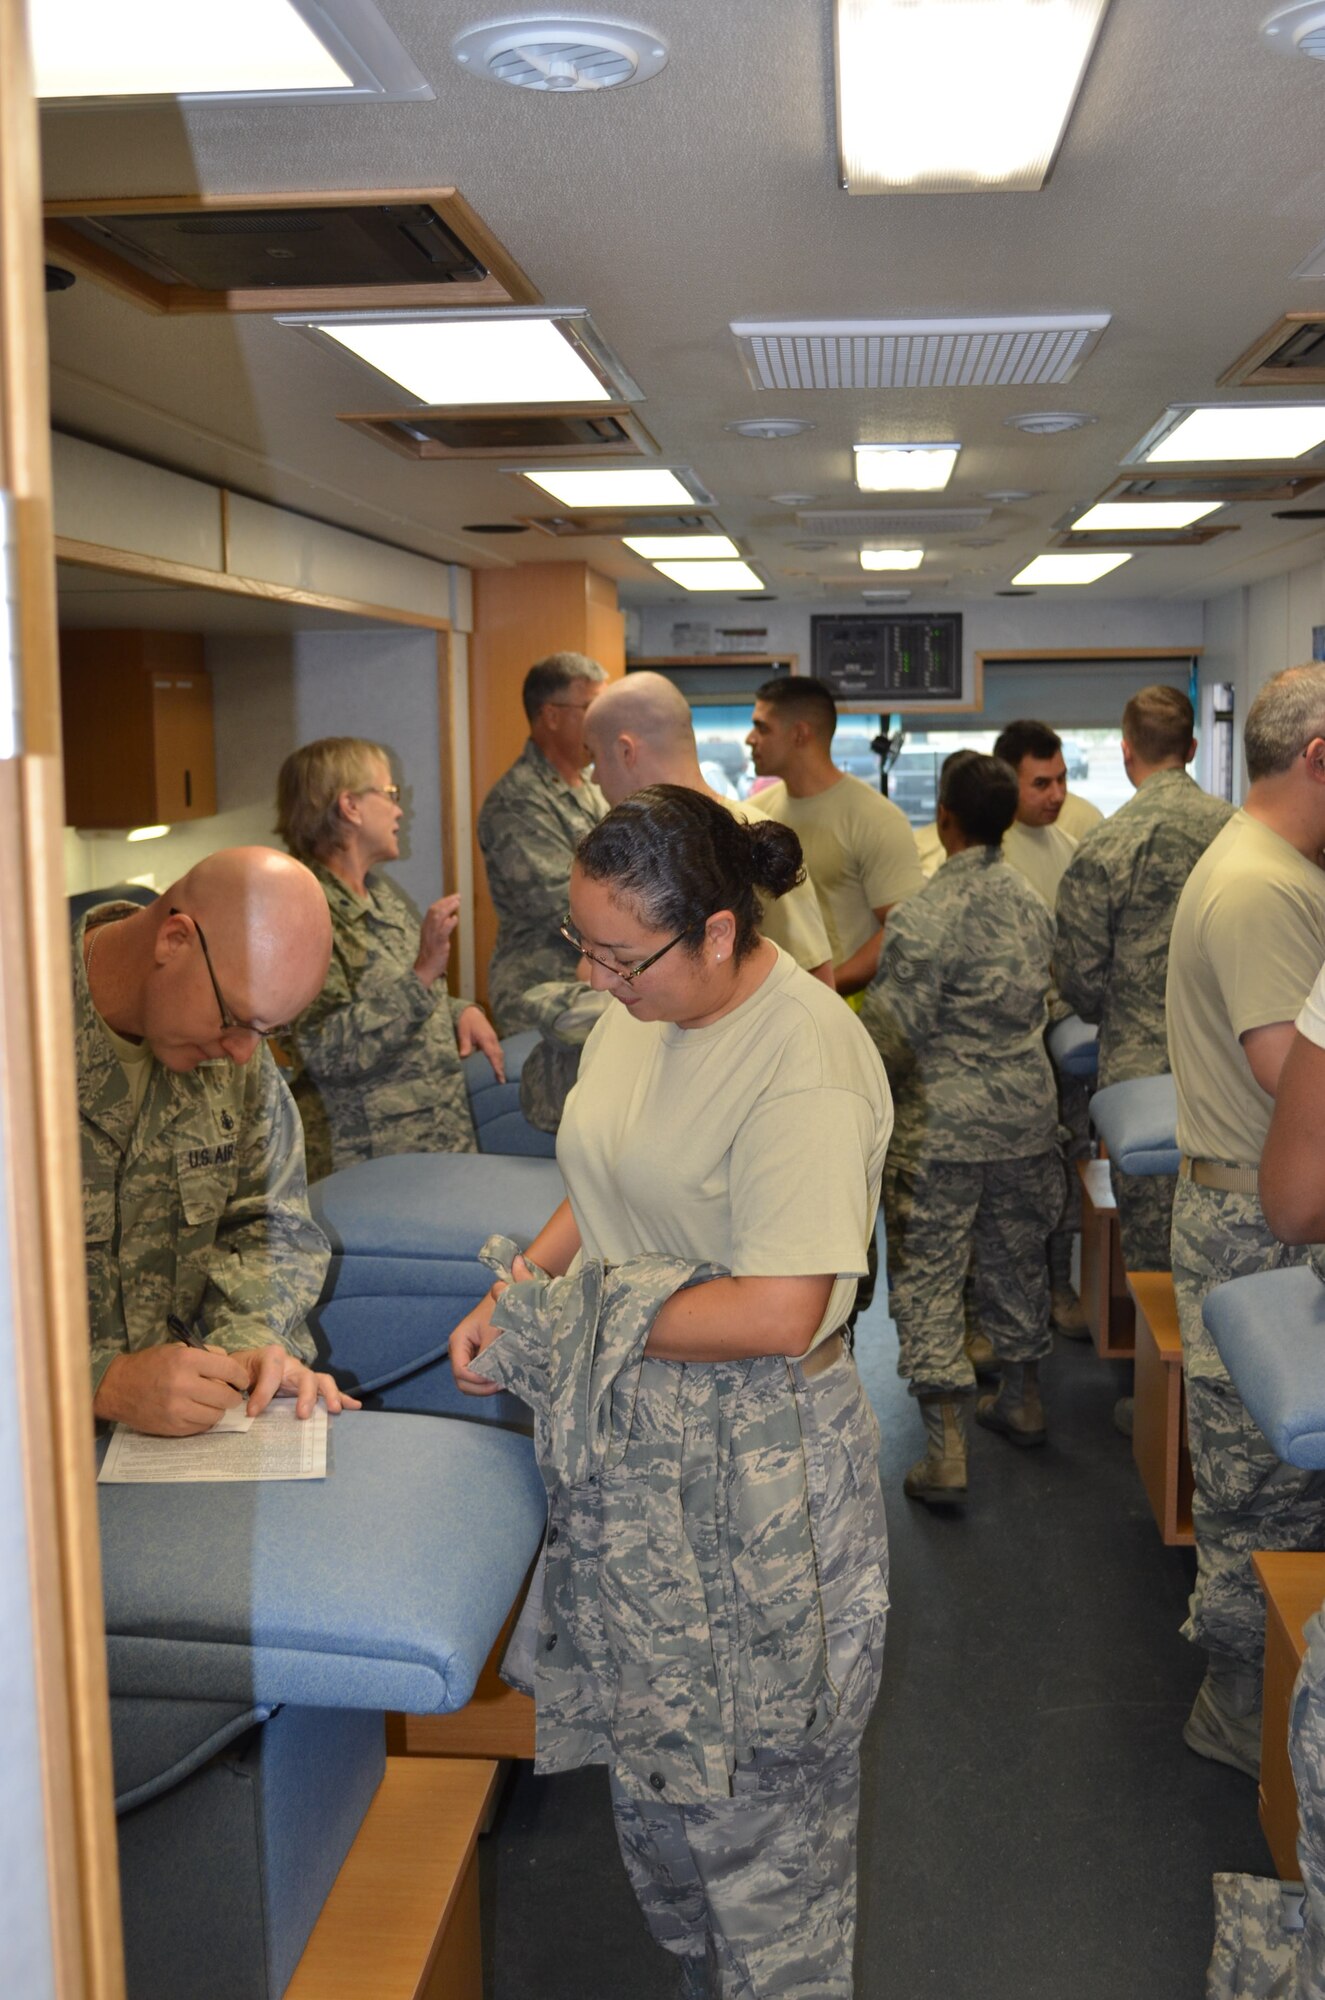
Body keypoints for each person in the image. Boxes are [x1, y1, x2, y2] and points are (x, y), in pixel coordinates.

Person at [449, 785, 891, 1998]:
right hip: (634, 1452)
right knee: (663, 1809)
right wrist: (522, 1284)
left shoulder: (802, 1058)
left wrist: (567, 1319)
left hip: (757, 1469)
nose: (596, 975)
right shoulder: (642, 1005)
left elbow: (776, 1310)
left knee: (762, 1828)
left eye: (619, 952)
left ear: (715, 932)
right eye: (578, 945)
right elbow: (602, 1174)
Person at [1167, 663, 1325, 1779]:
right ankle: (1236, 1705)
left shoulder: (1272, 867)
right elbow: (1289, 1076)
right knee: (1260, 1493)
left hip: (1253, 1204)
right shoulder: (1262, 884)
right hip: (1252, 1217)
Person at [79, 848, 358, 1437]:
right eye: (236, 1019)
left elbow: (265, 1226)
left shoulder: (237, 1056)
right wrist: (100, 1382)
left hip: (168, 1453)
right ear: (173, 940)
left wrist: (247, 1346)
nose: (243, 1054)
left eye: (270, 1031)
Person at [862, 752, 1061, 1505]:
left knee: (931, 1275)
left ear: (943, 819)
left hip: (940, 1127)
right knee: (1017, 1258)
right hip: (1023, 1118)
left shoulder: (923, 915)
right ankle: (1022, 1398)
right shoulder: (1030, 901)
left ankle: (945, 1452)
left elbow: (891, 1032)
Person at [1056, 686, 1234, 1272]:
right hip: (1236, 1056)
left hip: (1140, 1067)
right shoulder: (1242, 834)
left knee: (1154, 1244)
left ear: (1126, 750)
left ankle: (1157, 1358)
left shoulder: (1106, 842)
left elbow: (1078, 976)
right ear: (1192, 746)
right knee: (1234, 1220)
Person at [275, 736, 501, 1182]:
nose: (400, 810)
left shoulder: (377, 894)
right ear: (350, 807)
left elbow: (402, 996)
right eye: (390, 794)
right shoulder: (302, 908)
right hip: (369, 1166)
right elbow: (324, 1049)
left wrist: (460, 1010)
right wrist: (422, 974)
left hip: (432, 1144)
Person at [585, 671, 835, 984]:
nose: (594, 778)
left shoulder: (748, 838)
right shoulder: (630, 846)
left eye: (594, 757)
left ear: (626, 752)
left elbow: (815, 978)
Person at [992, 718, 1088, 1337]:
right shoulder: (987, 853)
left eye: (1061, 780)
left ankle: (1059, 1289)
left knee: (1067, 1169)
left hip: (1063, 1046)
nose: (1055, 795)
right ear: (1008, 781)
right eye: (1040, 783)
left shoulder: (1071, 849)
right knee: (1003, 1189)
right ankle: (997, 1311)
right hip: (1006, 1052)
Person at [746, 676, 923, 1000]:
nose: (749, 738)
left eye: (762, 728)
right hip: (770, 1005)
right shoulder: (755, 815)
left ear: (800, 734)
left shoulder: (876, 819)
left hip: (851, 1006)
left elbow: (901, 929)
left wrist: (824, 990)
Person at [477, 650, 609, 1032]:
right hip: (543, 993)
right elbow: (562, 900)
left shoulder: (593, 787)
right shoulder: (517, 801)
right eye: (592, 709)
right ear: (551, 715)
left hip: (597, 978)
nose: (602, 723)